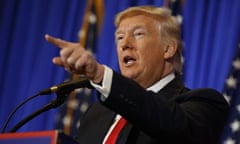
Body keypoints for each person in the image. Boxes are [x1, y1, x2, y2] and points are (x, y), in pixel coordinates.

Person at [45, 6, 229, 144]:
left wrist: (101, 75)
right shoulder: (96, 113)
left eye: (138, 34)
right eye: (119, 37)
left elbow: (168, 123)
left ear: (168, 48)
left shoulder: (203, 104)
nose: (125, 44)